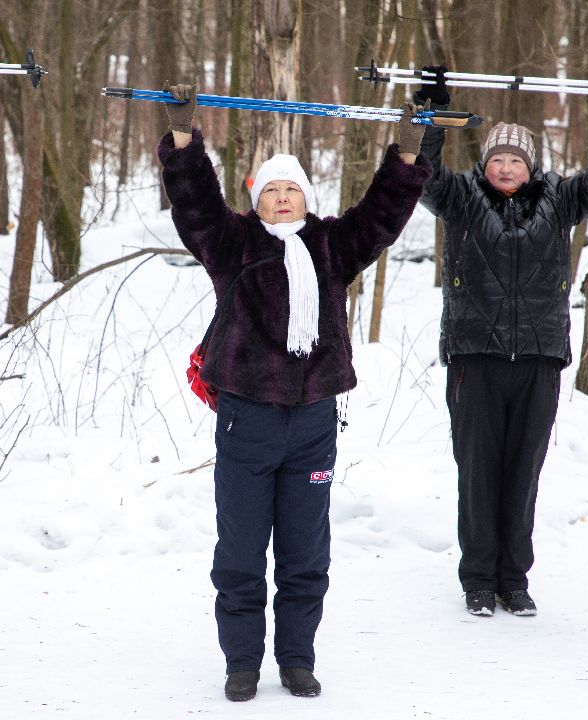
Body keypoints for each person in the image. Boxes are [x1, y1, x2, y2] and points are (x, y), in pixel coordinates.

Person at [157, 83, 430, 701]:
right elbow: (195, 204)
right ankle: (242, 663)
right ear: (258, 201)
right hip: (246, 420)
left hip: (312, 423)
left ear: (307, 197)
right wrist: (182, 136)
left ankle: (298, 659)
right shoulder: (235, 245)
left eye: (293, 190)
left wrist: (407, 152)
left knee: (307, 553)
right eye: (272, 190)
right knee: (241, 551)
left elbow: (383, 216)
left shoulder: (333, 246)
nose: (283, 198)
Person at [413, 66, 588, 617]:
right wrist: (432, 113)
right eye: (497, 159)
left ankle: (514, 579)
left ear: (530, 165)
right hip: (474, 357)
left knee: (523, 470)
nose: (506, 167)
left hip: (538, 356)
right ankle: (478, 581)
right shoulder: (461, 199)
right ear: (484, 164)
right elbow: (420, 175)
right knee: (479, 469)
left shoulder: (560, 200)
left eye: (515, 159)